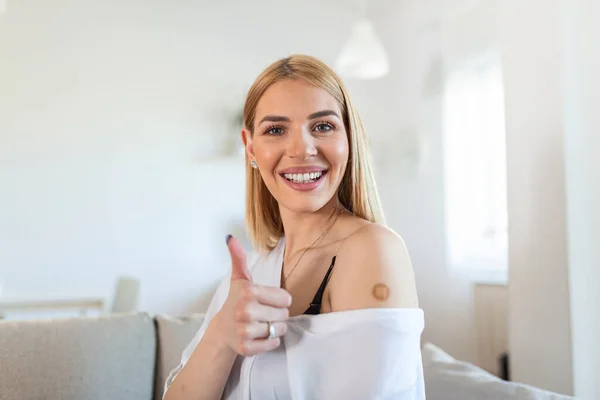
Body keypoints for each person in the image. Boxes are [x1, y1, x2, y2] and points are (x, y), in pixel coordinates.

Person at [163, 54, 424, 400]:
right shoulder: (253, 269)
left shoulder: (370, 249)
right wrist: (221, 334)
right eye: (275, 130)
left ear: (349, 138)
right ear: (250, 147)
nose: (302, 148)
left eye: (323, 126)